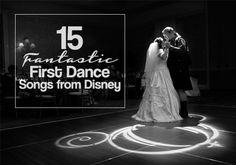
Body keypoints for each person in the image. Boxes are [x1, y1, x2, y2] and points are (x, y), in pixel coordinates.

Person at [132, 37, 182, 122]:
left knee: (159, 92)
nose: (163, 43)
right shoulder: (159, 51)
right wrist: (166, 48)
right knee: (162, 91)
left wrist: (166, 48)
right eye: (162, 42)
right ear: (160, 44)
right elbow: (164, 57)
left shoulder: (158, 51)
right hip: (161, 74)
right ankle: (161, 113)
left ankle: (152, 113)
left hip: (160, 73)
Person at [162, 27, 192, 118]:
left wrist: (169, 47)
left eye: (165, 34)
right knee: (176, 90)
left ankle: (184, 111)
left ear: (171, 32)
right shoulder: (171, 41)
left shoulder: (180, 39)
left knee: (180, 90)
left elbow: (182, 52)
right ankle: (178, 110)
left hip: (180, 70)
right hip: (174, 70)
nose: (165, 37)